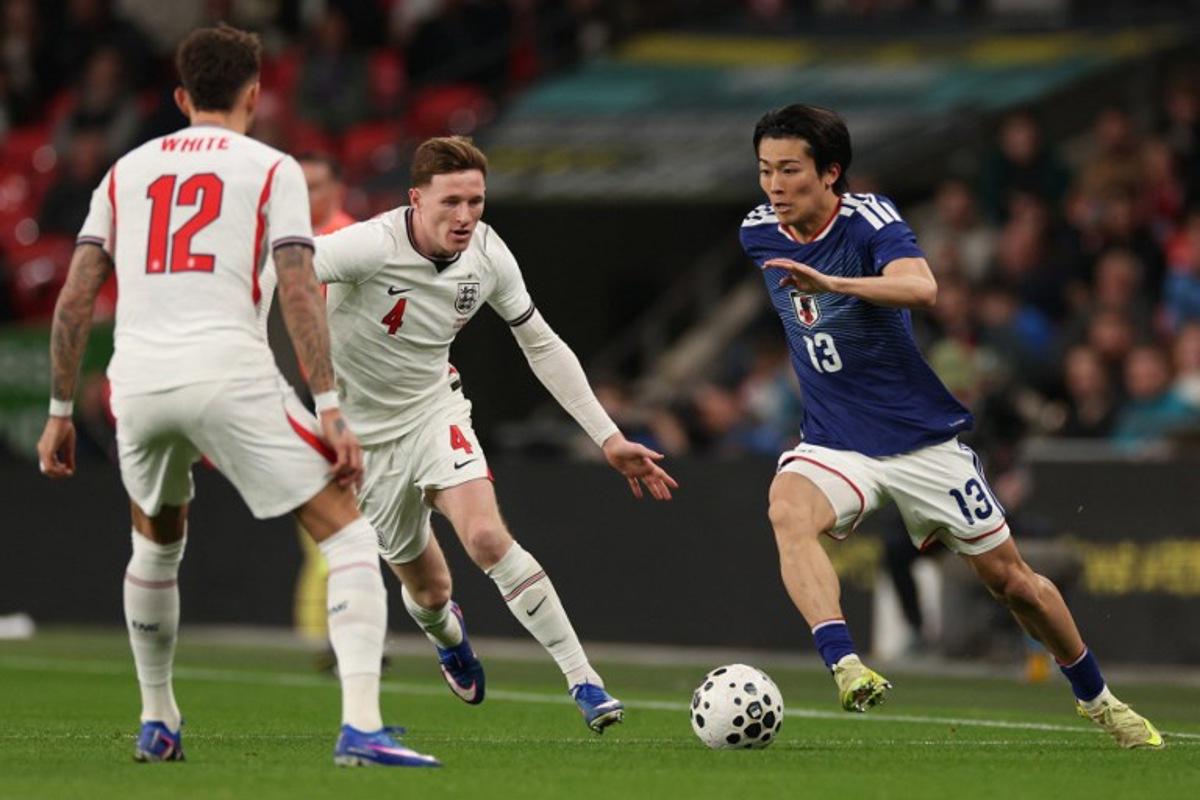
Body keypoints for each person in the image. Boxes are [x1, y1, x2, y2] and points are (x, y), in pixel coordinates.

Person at [35, 25, 438, 768]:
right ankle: (361, 726)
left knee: (155, 543)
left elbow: (76, 295)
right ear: (255, 94)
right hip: (227, 370)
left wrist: (60, 412)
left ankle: (158, 720)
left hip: (138, 381)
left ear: (183, 97)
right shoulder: (273, 166)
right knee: (348, 533)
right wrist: (329, 407)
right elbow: (295, 285)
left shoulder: (125, 170)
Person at [738, 104, 1162, 749]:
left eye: (789, 170)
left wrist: (833, 282)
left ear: (830, 174)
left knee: (1013, 584)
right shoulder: (757, 231)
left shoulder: (871, 218)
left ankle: (1098, 699)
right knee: (787, 511)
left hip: (922, 444)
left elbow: (922, 288)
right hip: (834, 441)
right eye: (765, 170)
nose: (773, 186)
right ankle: (845, 663)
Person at [262, 135, 677, 733]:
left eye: (476, 202)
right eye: (451, 202)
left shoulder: (488, 254)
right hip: (364, 437)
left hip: (435, 411)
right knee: (429, 592)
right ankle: (449, 638)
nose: (465, 217)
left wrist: (607, 436)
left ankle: (584, 681)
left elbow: (540, 343)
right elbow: (286, 271)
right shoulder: (368, 245)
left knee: (485, 536)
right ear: (415, 199)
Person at [287, 152, 356, 653]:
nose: (306, 197)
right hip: (303, 394)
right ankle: (324, 637)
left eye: (315, 185)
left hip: (351, 397)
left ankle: (328, 636)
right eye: (299, 186)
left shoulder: (354, 240)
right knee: (325, 522)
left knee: (342, 523)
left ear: (336, 188)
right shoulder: (285, 247)